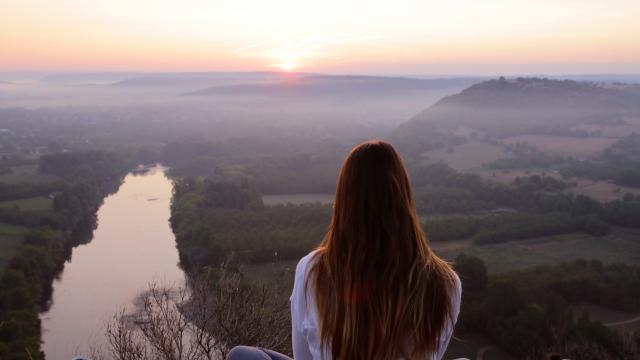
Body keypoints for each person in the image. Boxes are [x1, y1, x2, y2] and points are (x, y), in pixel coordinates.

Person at [228, 140, 461, 360]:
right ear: (404, 200)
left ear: (344, 202)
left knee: (241, 355)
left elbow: (303, 356)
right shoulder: (446, 282)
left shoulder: (313, 270)